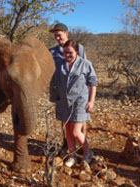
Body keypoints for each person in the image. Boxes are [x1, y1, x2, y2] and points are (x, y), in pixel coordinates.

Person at [50, 39, 97, 167]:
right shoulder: (60, 64)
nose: (67, 55)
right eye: (65, 52)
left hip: (80, 101)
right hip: (64, 101)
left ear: (77, 51)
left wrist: (91, 101)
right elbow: (54, 82)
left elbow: (93, 83)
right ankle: (72, 156)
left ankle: (87, 152)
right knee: (68, 132)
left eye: (70, 52)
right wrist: (54, 97)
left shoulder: (85, 64)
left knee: (76, 132)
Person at [49, 22, 87, 156]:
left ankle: (83, 149)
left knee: (79, 119)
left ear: (66, 33)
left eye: (59, 35)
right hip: (61, 90)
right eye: (55, 36)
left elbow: (84, 68)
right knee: (65, 120)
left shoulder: (79, 48)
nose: (57, 38)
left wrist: (87, 94)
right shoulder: (52, 51)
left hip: (78, 91)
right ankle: (67, 146)